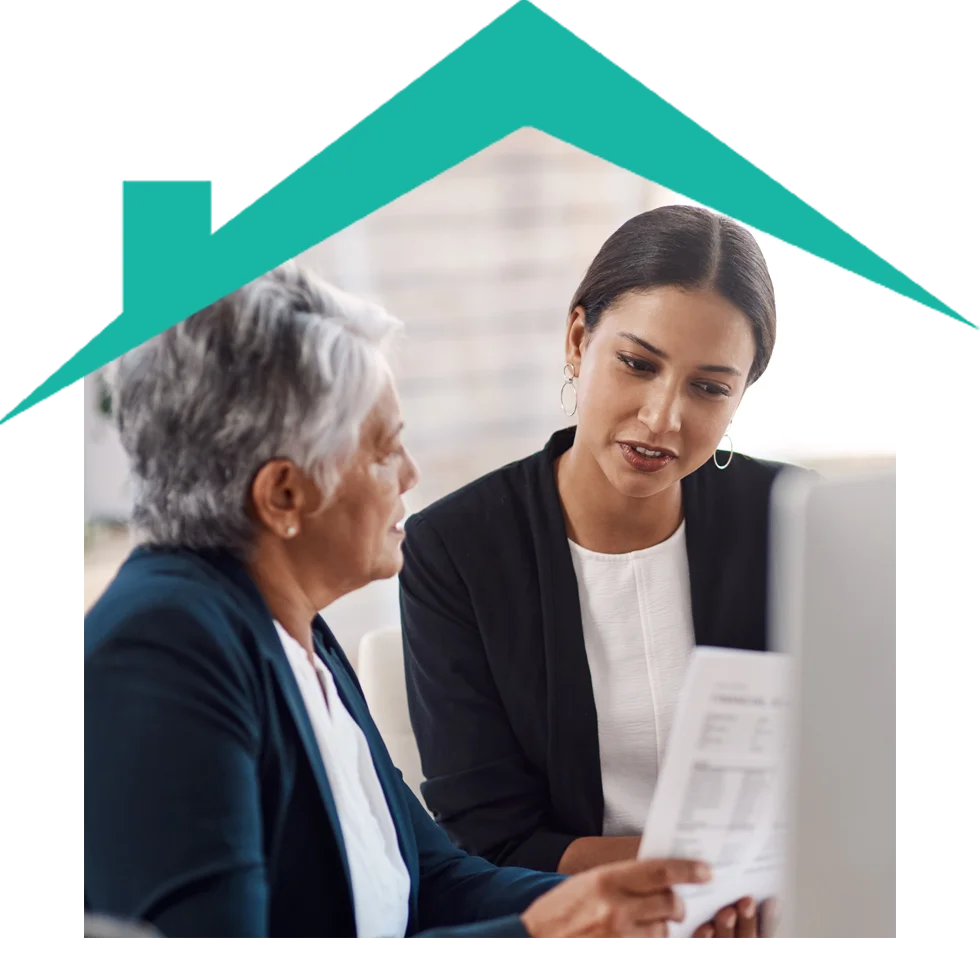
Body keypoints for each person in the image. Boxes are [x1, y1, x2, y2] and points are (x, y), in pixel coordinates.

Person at [81, 262, 712, 942]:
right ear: (284, 496)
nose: (411, 473)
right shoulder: (164, 648)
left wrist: (632, 899)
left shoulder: (295, 631)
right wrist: (536, 939)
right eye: (384, 451)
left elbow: (435, 879)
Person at [400, 205, 793, 940]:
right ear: (579, 341)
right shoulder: (455, 548)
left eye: (709, 387)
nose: (661, 418)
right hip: (582, 936)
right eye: (638, 364)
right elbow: (491, 838)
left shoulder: (795, 519)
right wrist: (704, 885)